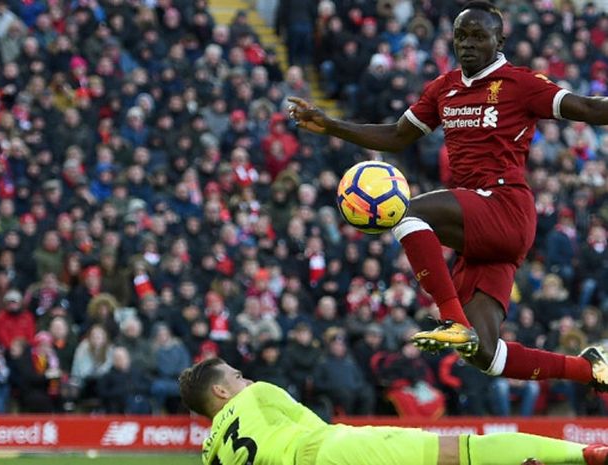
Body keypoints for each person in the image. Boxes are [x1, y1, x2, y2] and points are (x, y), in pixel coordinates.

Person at [287, 0, 608, 390]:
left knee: (404, 213)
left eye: (478, 36)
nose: (467, 44)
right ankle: (588, 369)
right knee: (484, 355)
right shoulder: (444, 89)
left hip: (504, 207)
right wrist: (331, 125)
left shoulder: (520, 84)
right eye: (461, 36)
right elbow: (397, 136)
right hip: (479, 232)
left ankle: (452, 318)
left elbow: (588, 108)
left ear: (499, 39)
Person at [179, 358, 608, 465]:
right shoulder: (256, 396)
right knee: (459, 452)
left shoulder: (210, 453)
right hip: (330, 452)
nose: (246, 380)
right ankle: (583, 455)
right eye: (237, 376)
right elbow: (314, 427)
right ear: (221, 390)